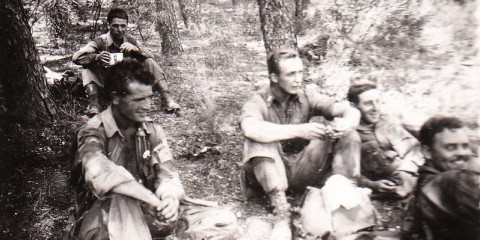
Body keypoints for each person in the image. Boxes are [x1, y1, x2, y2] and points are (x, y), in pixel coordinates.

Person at [69, 59, 238, 239]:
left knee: (223, 222)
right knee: (120, 199)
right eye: (139, 99)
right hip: (105, 220)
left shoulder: (152, 130)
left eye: (150, 97)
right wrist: (150, 199)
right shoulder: (92, 132)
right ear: (115, 98)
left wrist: (169, 198)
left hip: (149, 211)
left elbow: (168, 174)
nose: (148, 106)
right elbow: (100, 173)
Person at [240, 49, 361, 239]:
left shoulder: (306, 96)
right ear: (274, 77)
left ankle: (343, 199)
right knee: (259, 140)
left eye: (300, 72)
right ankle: (282, 215)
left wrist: (347, 122)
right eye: (291, 74)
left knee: (349, 135)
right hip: (268, 171)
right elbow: (250, 129)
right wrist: (301, 130)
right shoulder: (258, 101)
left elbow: (346, 110)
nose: (298, 79)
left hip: (300, 168)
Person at [72, 8, 181, 117]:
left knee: (149, 61)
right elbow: (76, 57)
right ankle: (94, 105)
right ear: (108, 25)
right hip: (106, 84)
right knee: (87, 67)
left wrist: (136, 49)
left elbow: (151, 56)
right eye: (115, 25)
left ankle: (166, 99)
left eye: (123, 26)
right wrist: (96, 57)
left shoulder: (131, 40)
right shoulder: (100, 41)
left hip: (127, 84)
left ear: (127, 25)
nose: (120, 30)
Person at [401, 116, 480, 240]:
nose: (462, 153)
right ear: (427, 152)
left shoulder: (428, 180)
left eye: (465, 146)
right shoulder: (448, 182)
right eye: (450, 147)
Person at [347, 82, 424, 198]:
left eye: (377, 101)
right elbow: (349, 172)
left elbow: (415, 149)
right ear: (354, 106)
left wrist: (406, 170)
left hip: (412, 173)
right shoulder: (350, 134)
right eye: (368, 103)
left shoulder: (388, 123)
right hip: (387, 184)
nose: (375, 108)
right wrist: (372, 185)